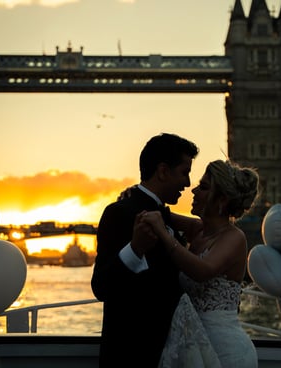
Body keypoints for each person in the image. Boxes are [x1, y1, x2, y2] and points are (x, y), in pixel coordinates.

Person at [90, 133, 199, 367]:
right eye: (184, 172)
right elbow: (100, 287)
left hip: (170, 351)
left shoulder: (165, 216)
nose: (188, 183)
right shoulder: (118, 213)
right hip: (131, 355)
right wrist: (135, 249)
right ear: (162, 171)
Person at [137, 159, 260, 367]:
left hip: (227, 352)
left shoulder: (234, 237)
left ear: (221, 200)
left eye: (203, 187)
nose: (193, 190)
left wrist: (163, 234)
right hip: (191, 346)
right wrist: (135, 197)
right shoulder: (197, 230)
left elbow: (203, 270)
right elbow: (160, 213)